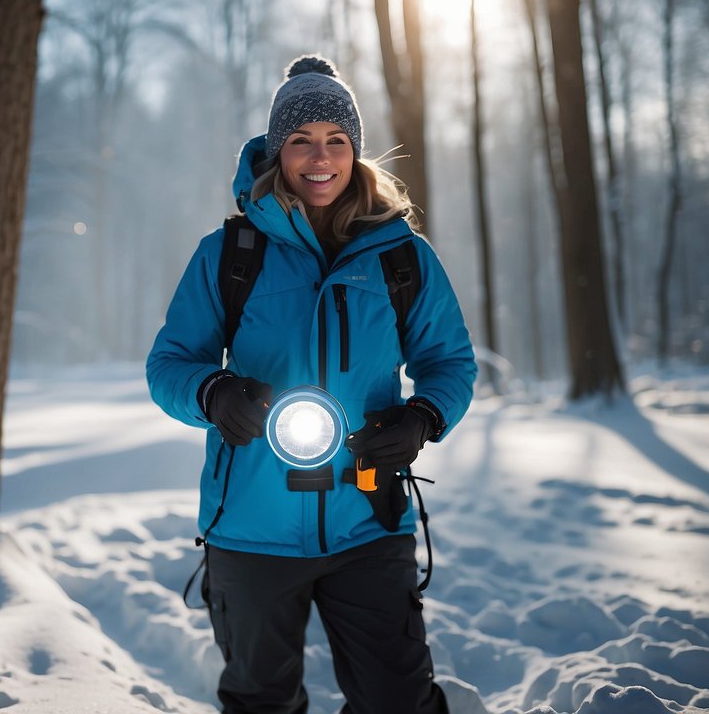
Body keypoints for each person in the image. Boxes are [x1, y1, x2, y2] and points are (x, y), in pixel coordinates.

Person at [146, 55, 477, 713]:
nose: (318, 156)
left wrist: (421, 419)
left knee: (398, 700)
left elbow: (450, 362)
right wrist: (214, 393)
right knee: (259, 701)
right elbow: (169, 364)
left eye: (336, 140)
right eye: (299, 140)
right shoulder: (230, 254)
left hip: (368, 519)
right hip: (249, 528)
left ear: (355, 150)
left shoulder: (401, 255)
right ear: (276, 151)